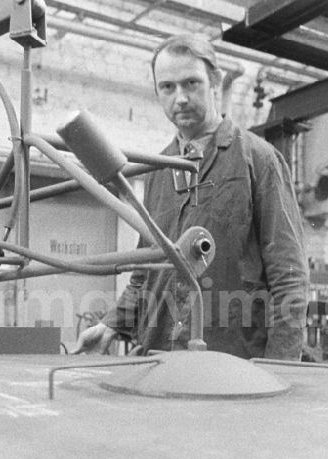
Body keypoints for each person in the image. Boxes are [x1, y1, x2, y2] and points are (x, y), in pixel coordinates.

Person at [74, 34, 309, 359]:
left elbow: (290, 278)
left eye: (191, 83)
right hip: (159, 356)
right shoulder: (158, 170)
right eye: (167, 87)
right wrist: (111, 325)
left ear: (213, 80)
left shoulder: (258, 159)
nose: (180, 98)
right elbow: (146, 271)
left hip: (232, 364)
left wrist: (280, 369)